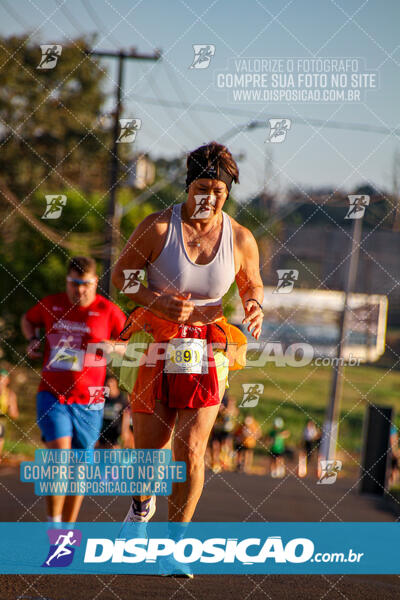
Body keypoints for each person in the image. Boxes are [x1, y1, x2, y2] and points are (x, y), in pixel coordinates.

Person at [112, 141, 264, 572]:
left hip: (208, 344)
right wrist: (155, 300)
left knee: (193, 449)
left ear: (228, 190)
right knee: (150, 449)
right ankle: (141, 508)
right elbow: (121, 276)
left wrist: (254, 304)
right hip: (157, 339)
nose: (209, 197)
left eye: (218, 189)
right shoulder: (159, 228)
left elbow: (251, 282)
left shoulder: (240, 237)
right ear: (187, 185)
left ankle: (174, 549)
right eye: (202, 186)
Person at [21, 256, 126, 523]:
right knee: (59, 458)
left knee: (79, 471)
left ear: (95, 282)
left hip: (90, 401)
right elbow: (28, 319)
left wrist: (114, 347)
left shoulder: (109, 311)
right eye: (74, 283)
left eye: (85, 283)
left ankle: (66, 531)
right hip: (52, 394)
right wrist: (33, 339)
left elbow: (132, 342)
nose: (79, 289)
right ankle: (53, 524)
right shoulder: (51, 304)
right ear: (67, 281)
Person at [97, 374, 133, 449]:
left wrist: (124, 431)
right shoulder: (103, 399)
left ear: (116, 385)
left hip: (117, 433)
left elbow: (126, 415)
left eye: (112, 384)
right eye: (108, 385)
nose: (110, 387)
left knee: (115, 455)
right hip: (104, 433)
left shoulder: (122, 399)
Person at [0, 368, 19, 461]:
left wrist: (10, 408)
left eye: (3, 379)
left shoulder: (10, 395)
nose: (1, 381)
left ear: (7, 381)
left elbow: (14, 414)